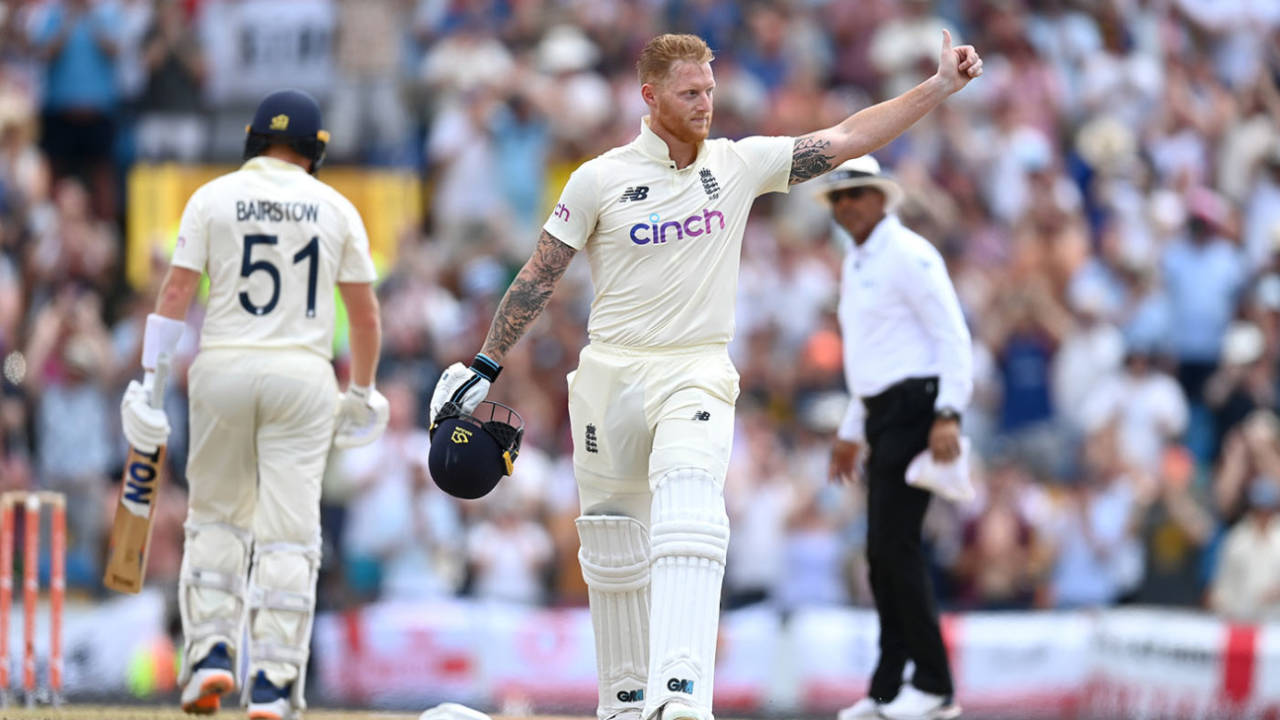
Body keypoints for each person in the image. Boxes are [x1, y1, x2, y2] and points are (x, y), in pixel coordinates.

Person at [430, 32, 982, 720]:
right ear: (650, 96)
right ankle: (627, 705)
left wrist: (937, 87)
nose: (705, 104)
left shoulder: (739, 164)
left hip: (694, 368)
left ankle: (682, 697)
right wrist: (484, 363)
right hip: (610, 376)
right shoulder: (599, 178)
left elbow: (843, 138)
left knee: (691, 507)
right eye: (690, 93)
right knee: (611, 541)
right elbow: (539, 276)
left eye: (710, 91)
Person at [119, 89, 388, 720]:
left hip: (224, 368)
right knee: (290, 534)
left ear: (253, 139)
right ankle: (270, 680)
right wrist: (363, 390)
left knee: (216, 518)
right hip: (302, 375)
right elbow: (365, 314)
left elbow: (176, 291)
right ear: (316, 151)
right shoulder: (337, 207)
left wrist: (150, 383)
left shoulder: (212, 197)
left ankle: (211, 654)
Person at [823, 156, 972, 720]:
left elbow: (952, 335)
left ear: (882, 198)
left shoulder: (910, 254)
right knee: (883, 554)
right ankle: (889, 688)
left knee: (896, 550)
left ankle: (933, 684)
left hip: (917, 408)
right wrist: (850, 430)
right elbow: (871, 359)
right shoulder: (856, 262)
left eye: (855, 195)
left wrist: (949, 412)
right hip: (885, 411)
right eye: (838, 200)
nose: (846, 207)